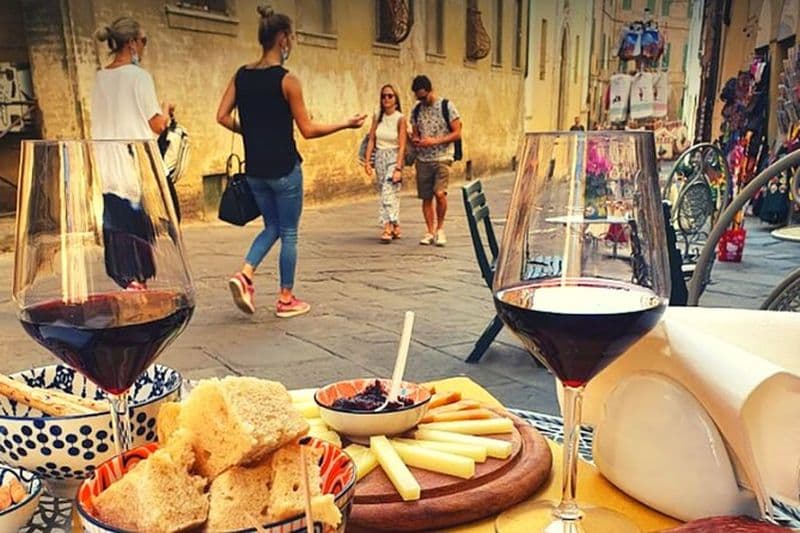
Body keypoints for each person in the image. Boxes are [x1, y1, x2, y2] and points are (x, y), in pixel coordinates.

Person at [216, 5, 366, 318]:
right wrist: (345, 124)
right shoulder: (288, 81)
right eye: (291, 38)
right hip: (284, 169)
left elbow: (221, 116)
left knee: (271, 226)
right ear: (283, 39)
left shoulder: (241, 76)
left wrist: (252, 132)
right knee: (289, 233)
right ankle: (286, 298)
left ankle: (245, 274)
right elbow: (308, 130)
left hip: (255, 170)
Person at [91, 17, 175, 289]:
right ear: (131, 43)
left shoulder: (100, 79)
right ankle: (139, 285)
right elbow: (156, 125)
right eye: (143, 41)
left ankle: (128, 284)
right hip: (134, 163)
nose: (144, 46)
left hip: (106, 164)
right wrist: (166, 111)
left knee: (117, 229)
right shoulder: (140, 78)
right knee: (141, 230)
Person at [409, 75, 461, 247]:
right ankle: (430, 231)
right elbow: (415, 131)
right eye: (419, 98)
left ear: (431, 90)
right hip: (423, 158)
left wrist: (435, 141)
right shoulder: (416, 110)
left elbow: (457, 133)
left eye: (424, 97)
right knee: (426, 197)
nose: (422, 100)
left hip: (443, 157)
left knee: (440, 193)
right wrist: (416, 139)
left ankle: (440, 228)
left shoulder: (447, 106)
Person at [364, 84, 407, 243]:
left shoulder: (400, 118)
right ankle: (396, 224)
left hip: (394, 156)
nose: (386, 99)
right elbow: (371, 140)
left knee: (387, 192)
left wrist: (398, 167)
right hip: (380, 157)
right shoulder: (378, 116)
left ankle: (387, 226)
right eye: (383, 96)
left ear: (396, 99)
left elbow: (402, 144)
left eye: (390, 96)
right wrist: (368, 161)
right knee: (387, 192)